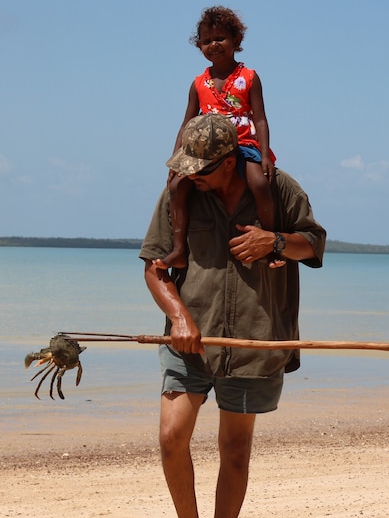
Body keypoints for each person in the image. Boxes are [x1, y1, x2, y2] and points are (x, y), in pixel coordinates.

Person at [140, 113, 327, 518]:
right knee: (171, 437)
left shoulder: (278, 187)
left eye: (200, 169)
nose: (191, 176)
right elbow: (155, 268)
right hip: (188, 344)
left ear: (228, 162)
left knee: (236, 451)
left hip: (254, 344)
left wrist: (273, 241)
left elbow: (312, 244)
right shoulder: (179, 193)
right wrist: (179, 319)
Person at [158, 5, 283, 270]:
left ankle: (271, 244)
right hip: (207, 149)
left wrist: (264, 155)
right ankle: (179, 249)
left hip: (242, 144)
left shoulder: (249, 77)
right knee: (176, 187)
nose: (213, 45)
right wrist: (175, 160)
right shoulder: (198, 83)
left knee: (260, 184)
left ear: (236, 40)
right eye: (206, 41)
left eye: (220, 38)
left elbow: (260, 118)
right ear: (199, 46)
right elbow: (187, 122)